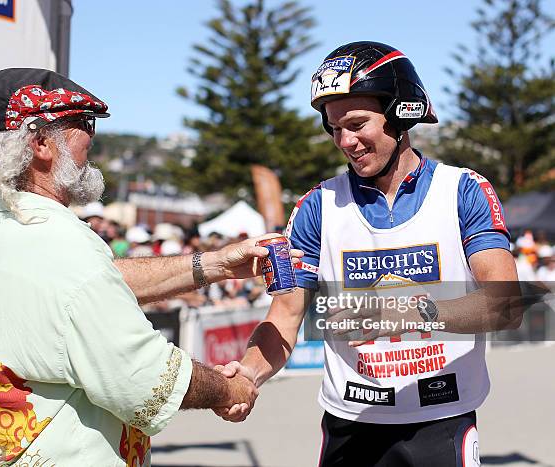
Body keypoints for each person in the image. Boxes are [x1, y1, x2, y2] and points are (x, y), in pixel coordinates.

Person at [0, 68, 301, 466]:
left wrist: (216, 264)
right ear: (41, 143)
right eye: (84, 123)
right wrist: (230, 389)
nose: (92, 138)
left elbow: (95, 284)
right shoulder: (57, 243)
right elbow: (144, 377)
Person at [215, 42, 521, 466]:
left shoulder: (464, 190)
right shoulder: (316, 206)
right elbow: (284, 317)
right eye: (334, 128)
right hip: (349, 423)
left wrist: (398, 313)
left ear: (401, 115)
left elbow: (506, 304)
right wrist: (248, 372)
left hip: (440, 419)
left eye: (358, 124)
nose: (345, 141)